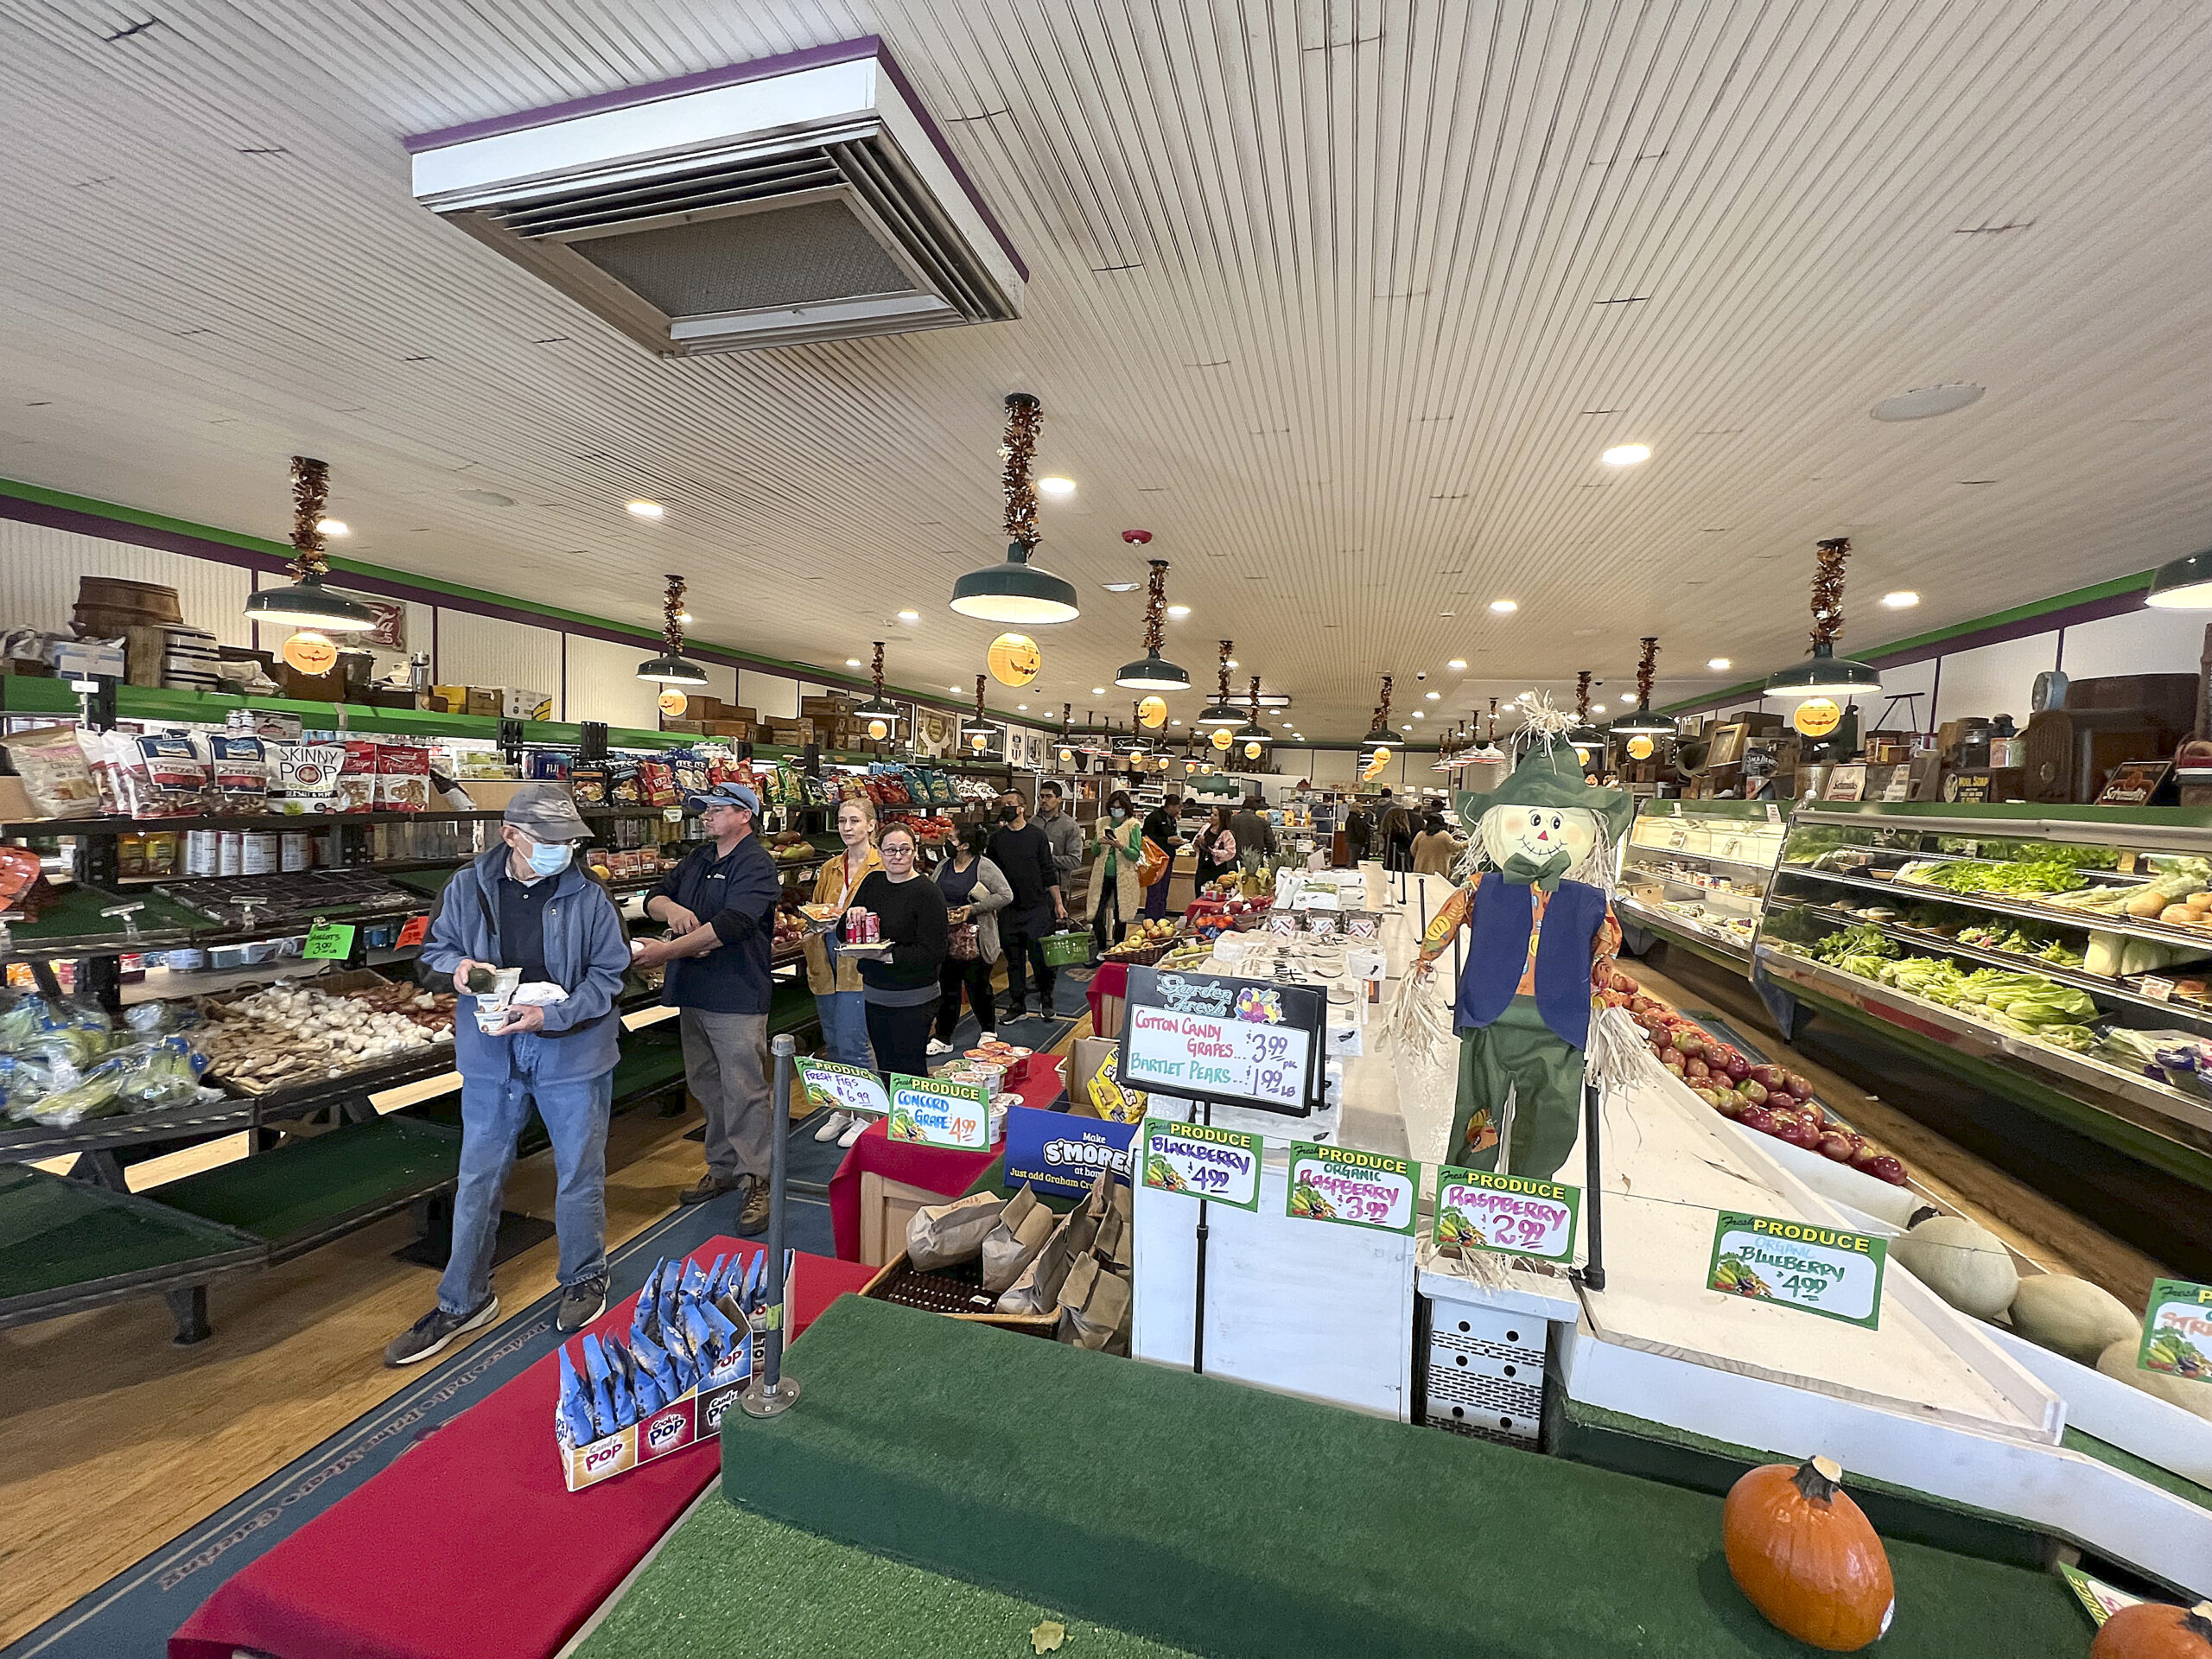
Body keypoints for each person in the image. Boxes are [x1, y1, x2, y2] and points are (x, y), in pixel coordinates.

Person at [386, 785, 630, 1365]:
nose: (560, 851)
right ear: (510, 836)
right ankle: (462, 1298)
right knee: (477, 1177)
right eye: (547, 841)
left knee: (578, 1172)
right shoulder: (467, 886)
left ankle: (583, 1276)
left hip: (570, 1051)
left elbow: (611, 975)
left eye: (569, 841)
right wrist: (460, 968)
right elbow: (432, 955)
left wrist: (552, 1013)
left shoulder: (588, 892)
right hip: (492, 1052)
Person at [630, 783, 782, 1225]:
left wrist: (666, 952)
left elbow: (731, 924)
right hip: (694, 992)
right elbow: (652, 897)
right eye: (706, 810)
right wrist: (673, 910)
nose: (707, 816)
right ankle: (722, 1169)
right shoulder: (699, 858)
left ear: (744, 816)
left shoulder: (756, 863)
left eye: (717, 809)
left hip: (735, 995)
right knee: (707, 1085)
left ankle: (758, 1178)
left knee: (745, 1090)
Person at [801, 796, 880, 1145]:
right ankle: (843, 1108)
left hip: (858, 963)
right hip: (826, 957)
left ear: (871, 825)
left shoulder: (881, 866)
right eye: (842, 821)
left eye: (854, 821)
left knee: (855, 1042)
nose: (847, 828)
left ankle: (868, 1112)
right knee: (832, 1041)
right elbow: (817, 907)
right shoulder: (830, 867)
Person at [849, 823, 949, 1079]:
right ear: (879, 853)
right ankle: (891, 1118)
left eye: (904, 849)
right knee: (885, 1068)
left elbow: (933, 951)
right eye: (890, 850)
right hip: (875, 995)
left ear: (915, 852)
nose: (897, 856)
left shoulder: (927, 893)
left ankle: (915, 1118)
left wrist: (886, 956)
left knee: (909, 1071)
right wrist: (853, 917)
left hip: (914, 999)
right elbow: (843, 929)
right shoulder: (872, 882)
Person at [931, 823, 1013, 1054]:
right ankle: (943, 1036)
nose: (948, 841)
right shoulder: (944, 865)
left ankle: (988, 1030)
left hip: (976, 939)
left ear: (965, 845)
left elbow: (1005, 894)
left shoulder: (984, 866)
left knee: (978, 986)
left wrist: (973, 908)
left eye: (953, 839)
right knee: (947, 988)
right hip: (946, 939)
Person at [988, 790, 1067, 1025]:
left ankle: (1046, 999)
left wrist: (1059, 904)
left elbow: (1048, 872)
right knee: (1013, 960)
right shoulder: (997, 839)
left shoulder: (1037, 836)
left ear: (1022, 807)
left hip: (1037, 908)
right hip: (1009, 909)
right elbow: (990, 873)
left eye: (1011, 804)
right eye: (1004, 805)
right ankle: (1017, 1004)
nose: (1007, 808)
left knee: (1041, 958)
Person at [1088, 789, 1145, 953]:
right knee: (1096, 914)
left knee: (1122, 916)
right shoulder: (1102, 823)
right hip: (1102, 875)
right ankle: (1101, 950)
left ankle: (1118, 950)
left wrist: (1119, 846)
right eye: (1113, 808)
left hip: (1124, 876)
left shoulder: (1133, 825)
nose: (1116, 811)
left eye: (1119, 808)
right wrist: (1099, 843)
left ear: (1126, 808)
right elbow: (1094, 852)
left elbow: (1135, 854)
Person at [1034, 780, 1085, 891]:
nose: (1044, 800)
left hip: (1058, 885)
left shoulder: (1070, 826)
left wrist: (1048, 860)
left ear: (1059, 799)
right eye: (1041, 796)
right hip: (1032, 883)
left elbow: (1075, 860)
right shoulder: (1032, 823)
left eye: (1048, 796)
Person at [1140, 791, 1181, 919]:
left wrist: (1177, 843)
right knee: (1154, 892)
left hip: (1168, 860)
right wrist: (1166, 840)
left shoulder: (1172, 820)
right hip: (1156, 861)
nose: (1180, 810)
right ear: (1171, 806)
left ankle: (1160, 919)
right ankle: (1150, 920)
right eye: (1179, 807)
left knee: (1163, 893)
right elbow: (1146, 838)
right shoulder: (1154, 818)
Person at [1192, 805, 1238, 892]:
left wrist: (1212, 851)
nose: (1212, 816)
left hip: (1217, 869)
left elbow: (1230, 853)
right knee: (1199, 891)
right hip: (1202, 867)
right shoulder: (1205, 828)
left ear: (1222, 818)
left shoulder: (1227, 834)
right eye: (1212, 814)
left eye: (1215, 815)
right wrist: (1198, 843)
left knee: (1215, 892)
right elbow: (1195, 843)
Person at [1411, 810, 1464, 875]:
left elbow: (1413, 850)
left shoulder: (1420, 834)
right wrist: (1471, 842)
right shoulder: (1444, 836)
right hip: (1438, 873)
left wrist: (1422, 858)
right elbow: (1456, 847)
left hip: (1419, 871)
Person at [1230, 791, 1277, 861]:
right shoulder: (1262, 822)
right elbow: (1270, 842)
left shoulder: (1232, 820)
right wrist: (1270, 854)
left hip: (1234, 858)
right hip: (1255, 859)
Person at [1383, 794, 1420, 873]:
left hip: (1389, 862)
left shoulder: (1387, 831)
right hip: (1401, 864)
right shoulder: (1402, 833)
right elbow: (1410, 846)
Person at [1344, 797, 1373, 865]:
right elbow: (1359, 831)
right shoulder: (1355, 818)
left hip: (1351, 840)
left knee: (1352, 857)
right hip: (1356, 841)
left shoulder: (1350, 817)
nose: (1362, 810)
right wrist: (1364, 840)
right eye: (1361, 808)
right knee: (1354, 859)